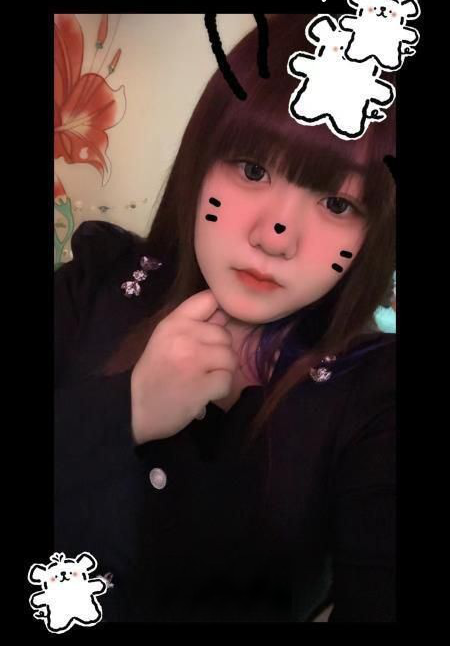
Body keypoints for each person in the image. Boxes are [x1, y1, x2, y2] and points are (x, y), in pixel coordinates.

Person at [55, 14, 396, 622]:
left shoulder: (373, 394)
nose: (275, 237)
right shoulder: (99, 279)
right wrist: (126, 409)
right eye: (253, 170)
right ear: (203, 157)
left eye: (337, 202)